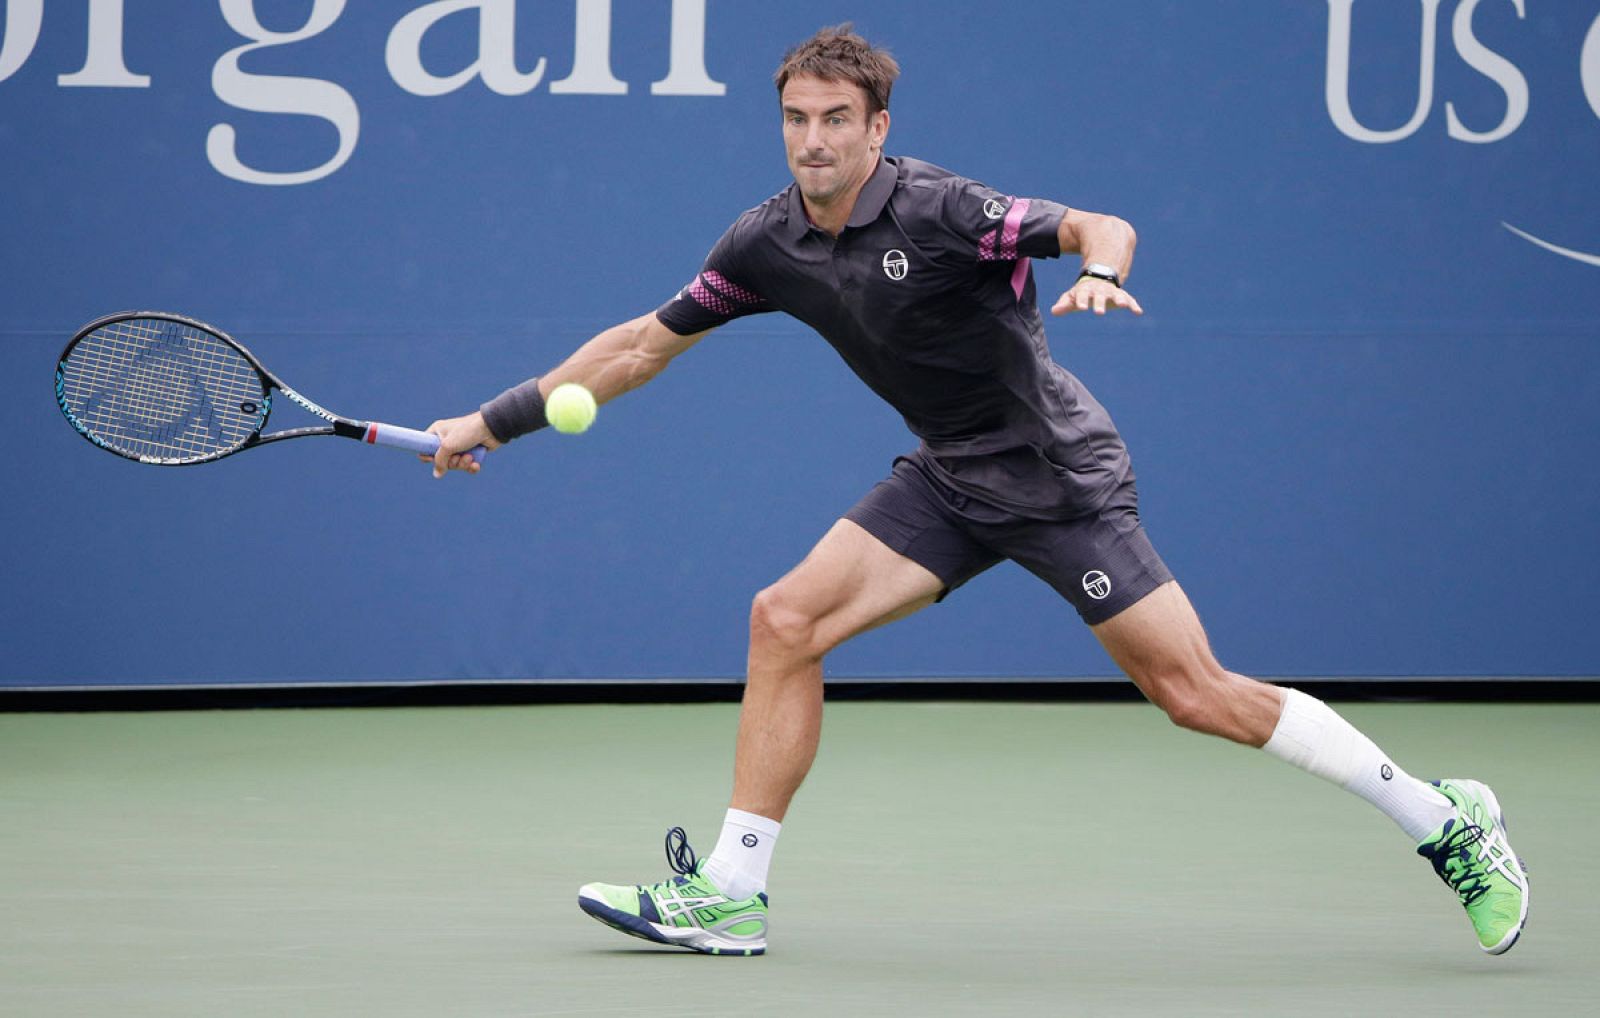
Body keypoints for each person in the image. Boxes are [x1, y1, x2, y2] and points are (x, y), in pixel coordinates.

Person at [424, 25, 1528, 958]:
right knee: (785, 619)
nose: (813, 138)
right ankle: (731, 889)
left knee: (1194, 693)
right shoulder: (764, 241)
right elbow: (633, 348)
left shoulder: (945, 211)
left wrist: (1098, 271)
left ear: (876, 128)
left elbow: (1100, 224)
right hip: (949, 474)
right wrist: (492, 418)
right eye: (796, 119)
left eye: (835, 120)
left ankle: (1445, 817)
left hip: (1056, 480)